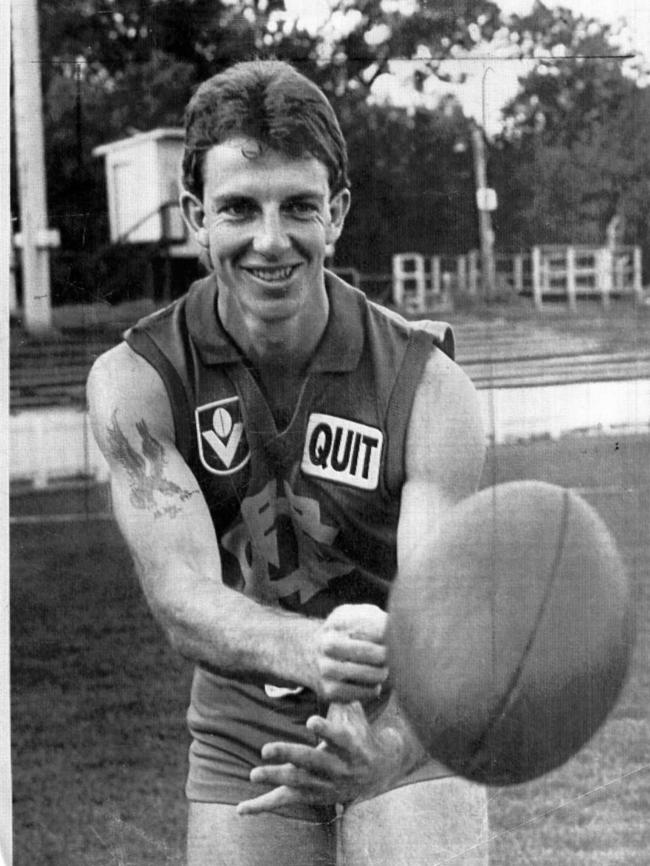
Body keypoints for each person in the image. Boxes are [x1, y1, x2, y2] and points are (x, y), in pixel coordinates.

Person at [87, 60, 488, 866]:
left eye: (299, 206)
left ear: (335, 213)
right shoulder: (136, 381)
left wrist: (398, 744)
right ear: (197, 216)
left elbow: (442, 614)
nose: (271, 240)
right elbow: (179, 596)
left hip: (407, 705)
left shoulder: (430, 385)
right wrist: (316, 652)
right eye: (239, 208)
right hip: (247, 723)